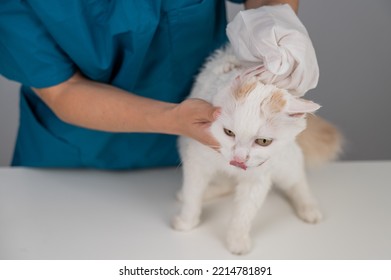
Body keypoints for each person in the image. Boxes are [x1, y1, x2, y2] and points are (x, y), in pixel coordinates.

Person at [0, 0, 315, 169]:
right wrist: (174, 119)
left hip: (209, 141)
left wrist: (274, 26)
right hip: (71, 154)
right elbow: (62, 90)